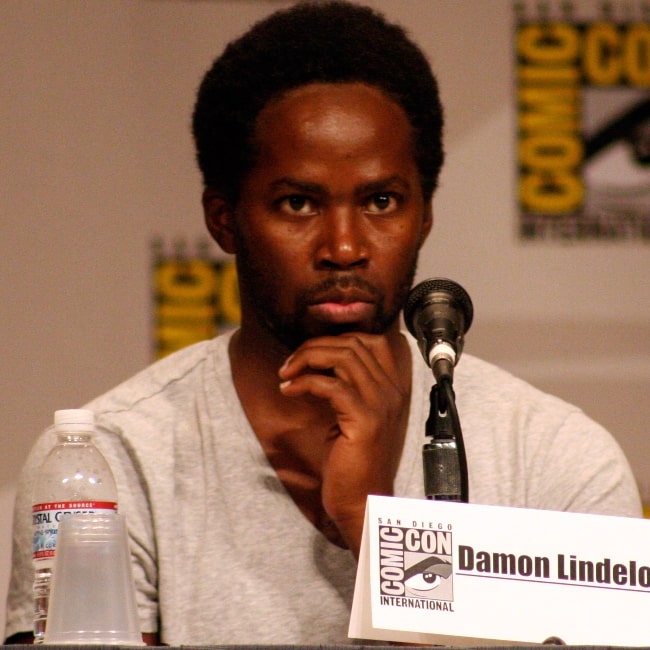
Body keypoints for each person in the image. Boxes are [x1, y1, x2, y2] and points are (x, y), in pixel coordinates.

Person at [5, 0, 642, 645]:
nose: (344, 246)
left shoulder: (557, 459)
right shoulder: (105, 465)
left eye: (381, 201)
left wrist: (375, 527)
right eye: (299, 203)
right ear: (224, 220)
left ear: (423, 215)